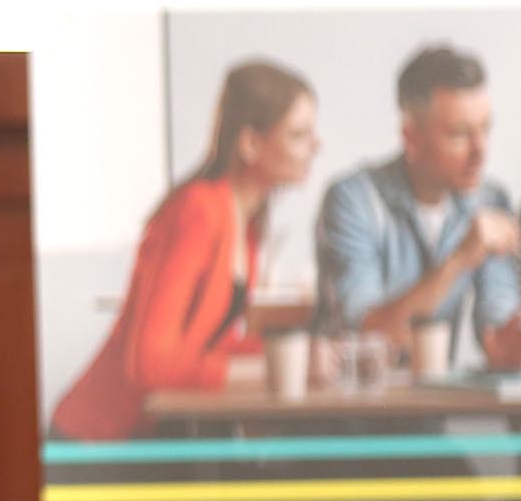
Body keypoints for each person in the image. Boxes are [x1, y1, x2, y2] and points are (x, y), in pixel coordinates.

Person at [51, 60, 320, 441]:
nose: (317, 145)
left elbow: (209, 344)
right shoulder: (198, 211)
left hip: (149, 433)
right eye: (299, 134)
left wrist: (297, 353)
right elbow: (150, 366)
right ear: (250, 145)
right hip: (98, 441)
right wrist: (275, 370)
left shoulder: (244, 223)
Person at [315, 44, 521, 367]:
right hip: (355, 397)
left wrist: (509, 334)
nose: (481, 151)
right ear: (411, 137)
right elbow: (364, 334)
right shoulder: (353, 199)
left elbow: (497, 332)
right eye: (459, 134)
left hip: (432, 399)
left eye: (485, 129)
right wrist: (458, 260)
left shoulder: (490, 200)